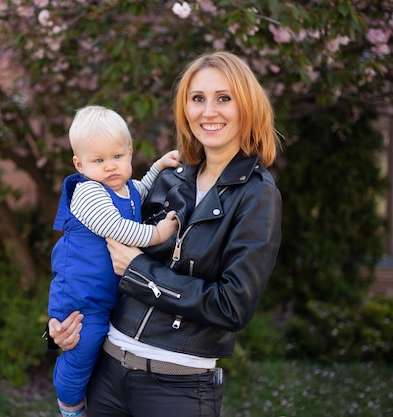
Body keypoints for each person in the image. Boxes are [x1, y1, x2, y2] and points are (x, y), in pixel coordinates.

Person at [47, 51, 283, 417]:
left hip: (178, 389)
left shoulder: (257, 195)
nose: (209, 111)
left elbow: (232, 305)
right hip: (107, 374)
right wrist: (60, 328)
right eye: (197, 99)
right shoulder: (172, 178)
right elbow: (95, 255)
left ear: (247, 106)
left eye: (224, 98)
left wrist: (140, 272)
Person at [48, 105, 180, 417]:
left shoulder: (127, 188)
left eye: (117, 157)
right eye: (98, 160)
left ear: (130, 153)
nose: (110, 167)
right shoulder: (88, 193)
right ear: (80, 164)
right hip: (81, 298)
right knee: (85, 344)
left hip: (109, 294)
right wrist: (157, 234)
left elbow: (142, 188)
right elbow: (117, 228)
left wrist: (159, 165)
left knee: (103, 351)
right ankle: (68, 403)